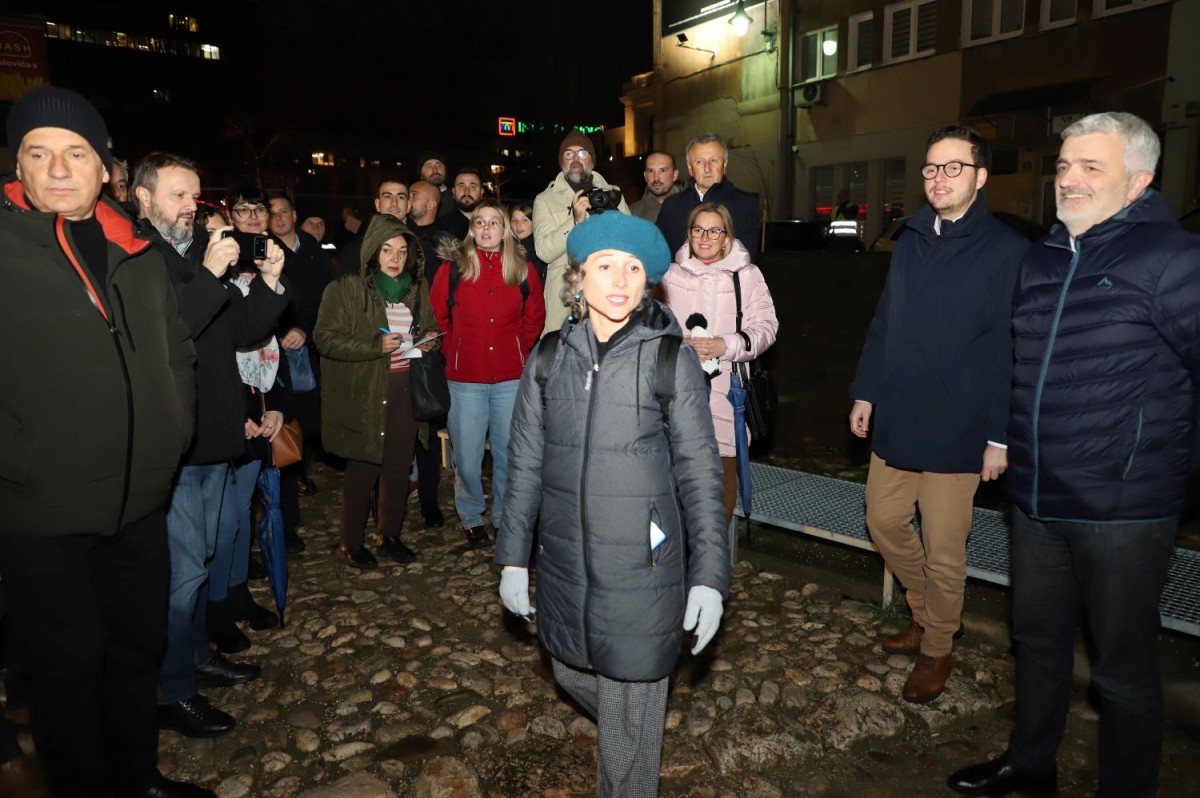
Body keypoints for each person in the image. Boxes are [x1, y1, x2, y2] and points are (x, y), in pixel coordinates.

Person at [948, 112, 1200, 798]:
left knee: (1121, 671)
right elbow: (1020, 364)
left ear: (1139, 180)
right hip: (1036, 498)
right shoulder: (1043, 255)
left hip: (1123, 507)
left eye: (1092, 167)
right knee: (1036, 644)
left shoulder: (1173, 259)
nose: (1070, 179)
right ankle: (1030, 768)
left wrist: (1166, 463)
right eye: (1064, 165)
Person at [0, 86, 207, 797]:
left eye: (75, 152)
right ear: (18, 166)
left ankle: (135, 777)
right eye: (38, 152)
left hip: (141, 501)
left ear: (106, 167)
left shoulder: (136, 246)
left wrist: (172, 429)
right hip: (43, 513)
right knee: (66, 669)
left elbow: (174, 347)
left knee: (133, 653)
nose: (58, 168)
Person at [496, 212, 729, 798]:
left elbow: (702, 476)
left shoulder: (670, 361)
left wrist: (709, 577)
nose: (619, 280)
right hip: (566, 565)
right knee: (570, 668)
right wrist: (513, 559)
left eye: (633, 269)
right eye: (605, 266)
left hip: (644, 569)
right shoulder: (548, 358)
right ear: (579, 277)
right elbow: (522, 465)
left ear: (648, 282)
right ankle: (633, 729)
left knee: (630, 735)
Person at [849, 125, 1029, 705]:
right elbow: (884, 324)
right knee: (883, 521)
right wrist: (866, 393)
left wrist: (1001, 437)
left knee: (947, 550)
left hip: (962, 425)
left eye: (952, 167)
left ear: (979, 177)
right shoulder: (911, 239)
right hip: (899, 415)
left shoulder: (1007, 251)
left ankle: (936, 648)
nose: (938, 178)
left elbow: (1012, 349)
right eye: (930, 168)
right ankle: (931, 617)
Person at [132, 158, 288, 740]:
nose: (190, 207)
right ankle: (174, 690)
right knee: (182, 572)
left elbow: (241, 331)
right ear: (143, 197)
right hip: (179, 443)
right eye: (178, 196)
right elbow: (167, 334)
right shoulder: (138, 256)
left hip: (219, 432)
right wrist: (209, 273)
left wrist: (269, 282)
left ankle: (197, 658)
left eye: (195, 196)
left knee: (203, 561)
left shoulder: (191, 253)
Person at [316, 214, 440, 567]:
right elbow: (325, 339)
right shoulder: (346, 288)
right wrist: (376, 344)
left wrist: (429, 340)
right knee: (363, 468)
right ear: (373, 251)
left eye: (402, 251)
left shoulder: (417, 288)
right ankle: (351, 541)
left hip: (406, 388)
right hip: (366, 389)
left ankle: (390, 535)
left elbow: (429, 325)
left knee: (400, 467)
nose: (395, 258)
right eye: (387, 249)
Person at [430, 200, 545, 549]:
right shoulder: (453, 269)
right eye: (480, 222)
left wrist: (518, 350)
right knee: (466, 455)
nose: (486, 228)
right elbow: (440, 317)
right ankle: (471, 516)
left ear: (505, 229)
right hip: (466, 379)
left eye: (494, 222)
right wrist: (455, 349)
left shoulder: (522, 268)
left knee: (510, 452)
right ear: (472, 228)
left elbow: (534, 318)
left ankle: (503, 517)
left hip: (511, 378)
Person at [660, 202, 778, 519]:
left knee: (721, 483)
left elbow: (767, 328)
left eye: (714, 230)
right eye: (698, 229)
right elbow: (654, 328)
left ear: (726, 236)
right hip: (678, 393)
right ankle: (676, 561)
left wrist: (724, 345)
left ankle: (712, 561)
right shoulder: (670, 276)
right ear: (689, 234)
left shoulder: (747, 276)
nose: (705, 237)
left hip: (727, 393)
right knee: (672, 481)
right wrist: (678, 345)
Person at [534, 129, 630, 335]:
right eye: (568, 154)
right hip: (564, 300)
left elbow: (632, 243)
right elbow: (544, 251)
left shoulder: (612, 194)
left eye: (582, 153)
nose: (575, 159)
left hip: (607, 293)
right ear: (561, 162)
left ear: (592, 161)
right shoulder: (546, 199)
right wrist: (576, 220)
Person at [657, 133, 762, 258]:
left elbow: (746, 260)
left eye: (713, 161)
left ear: (724, 165)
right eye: (700, 162)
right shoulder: (672, 206)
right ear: (690, 168)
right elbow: (659, 256)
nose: (707, 168)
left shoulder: (746, 205)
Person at [341, 177, 409, 275]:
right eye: (387, 196)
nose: (394, 203)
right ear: (377, 204)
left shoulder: (423, 247)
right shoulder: (356, 250)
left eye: (401, 197)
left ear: (409, 205)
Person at [629, 151, 680, 223]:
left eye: (662, 170)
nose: (656, 178)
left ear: (675, 175)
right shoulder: (631, 214)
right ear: (645, 176)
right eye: (650, 171)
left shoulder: (691, 209)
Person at [436, 167, 483, 241]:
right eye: (461, 186)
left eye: (473, 187)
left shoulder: (496, 225)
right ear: (453, 192)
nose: (467, 191)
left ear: (481, 192)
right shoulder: (440, 229)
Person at [510, 202, 547, 286]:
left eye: (525, 220)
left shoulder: (541, 248)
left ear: (534, 223)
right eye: (514, 220)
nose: (519, 225)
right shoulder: (506, 248)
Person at [416, 150, 456, 219]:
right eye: (428, 166)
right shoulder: (414, 199)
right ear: (421, 175)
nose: (435, 170)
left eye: (439, 165)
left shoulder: (457, 198)